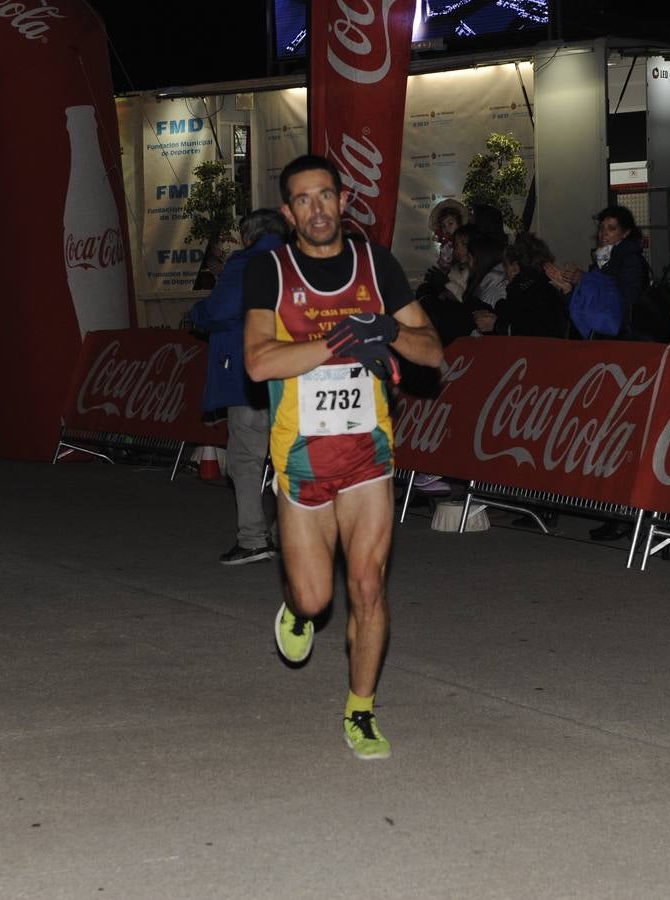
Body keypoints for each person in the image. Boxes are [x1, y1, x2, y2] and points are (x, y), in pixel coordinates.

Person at [243, 154, 443, 761]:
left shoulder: (376, 266)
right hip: (302, 460)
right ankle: (298, 613)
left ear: (343, 199)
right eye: (303, 200)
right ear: (288, 212)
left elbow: (432, 351)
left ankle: (361, 711)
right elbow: (258, 362)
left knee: (367, 586)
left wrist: (383, 329)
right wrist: (335, 340)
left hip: (368, 457)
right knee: (316, 599)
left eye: (325, 195)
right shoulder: (269, 272)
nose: (317, 209)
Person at [187, 209, 290, 566]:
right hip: (296, 372)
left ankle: (253, 538)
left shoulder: (247, 262)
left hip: (252, 374)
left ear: (249, 235)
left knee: (246, 458)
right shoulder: (301, 262)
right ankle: (290, 536)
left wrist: (197, 312)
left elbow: (220, 310)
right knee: (289, 459)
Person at [546, 205, 648, 340]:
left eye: (611, 228)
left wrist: (585, 281)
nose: (604, 233)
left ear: (625, 233)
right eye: (601, 228)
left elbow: (623, 303)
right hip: (602, 339)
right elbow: (587, 309)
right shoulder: (602, 261)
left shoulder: (631, 261)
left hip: (622, 342)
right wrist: (568, 290)